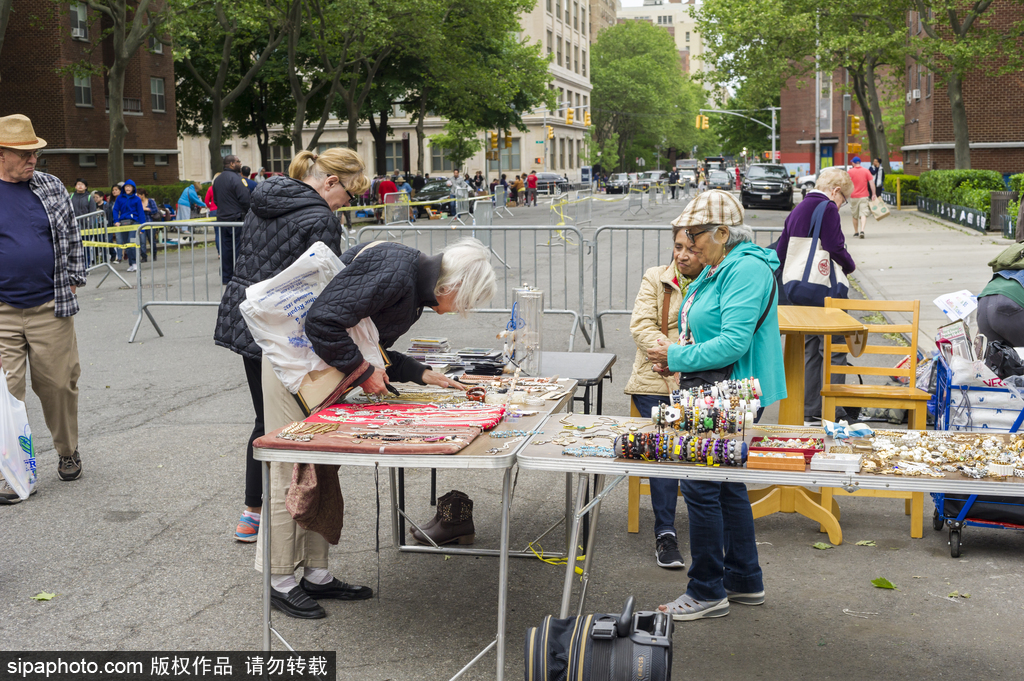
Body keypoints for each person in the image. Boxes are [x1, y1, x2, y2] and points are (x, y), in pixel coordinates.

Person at [256, 236, 497, 618]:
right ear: (452, 287)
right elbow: (323, 322)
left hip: (320, 368)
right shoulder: (397, 270)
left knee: (321, 468)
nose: (459, 311)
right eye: (465, 302)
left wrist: (420, 372)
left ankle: (316, 574)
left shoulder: (413, 288)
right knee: (292, 471)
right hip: (296, 368)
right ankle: (280, 579)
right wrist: (363, 371)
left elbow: (370, 345)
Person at [215, 148, 369, 544]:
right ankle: (291, 515)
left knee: (263, 419)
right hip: (288, 330)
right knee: (297, 422)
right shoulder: (322, 218)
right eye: (349, 196)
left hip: (248, 319)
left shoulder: (263, 198)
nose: (346, 204)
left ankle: (252, 511)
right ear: (331, 182)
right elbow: (324, 290)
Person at [646, 190, 785, 621]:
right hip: (718, 388)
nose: (689, 246)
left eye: (695, 237)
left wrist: (676, 355)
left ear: (722, 233)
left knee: (701, 485)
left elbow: (733, 343)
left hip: (728, 390)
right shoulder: (724, 265)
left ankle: (706, 590)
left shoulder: (745, 269)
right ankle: (743, 579)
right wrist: (679, 355)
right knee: (725, 485)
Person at [0, 114, 86, 503]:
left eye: (35, 152)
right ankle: (12, 470)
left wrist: (73, 278)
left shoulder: (49, 186)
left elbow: (71, 234)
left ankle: (67, 451)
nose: (32, 159)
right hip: (2, 310)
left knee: (59, 385)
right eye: (24, 154)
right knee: (6, 392)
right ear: (1, 155)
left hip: (50, 304)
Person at [625, 224, 705, 569]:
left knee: (715, 441)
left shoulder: (716, 281)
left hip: (700, 378)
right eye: (678, 246)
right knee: (666, 444)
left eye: (691, 249)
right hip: (656, 379)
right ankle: (665, 532)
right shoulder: (656, 277)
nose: (683, 255)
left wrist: (688, 361)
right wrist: (676, 357)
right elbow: (641, 326)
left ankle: (712, 529)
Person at [774, 166, 856, 423]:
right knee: (834, 348)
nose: (841, 205)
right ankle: (833, 410)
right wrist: (849, 265)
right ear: (835, 191)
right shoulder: (828, 208)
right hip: (825, 290)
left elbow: (781, 250)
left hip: (799, 290)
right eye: (844, 199)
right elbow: (833, 246)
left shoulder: (798, 208)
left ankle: (809, 409)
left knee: (811, 348)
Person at [212, 155, 252, 284]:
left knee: (225, 249)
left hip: (222, 219)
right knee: (239, 249)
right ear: (231, 164)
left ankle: (226, 277)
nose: (240, 163)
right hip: (236, 219)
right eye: (238, 161)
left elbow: (216, 200)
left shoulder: (217, 180)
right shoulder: (237, 179)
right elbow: (245, 199)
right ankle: (238, 278)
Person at [112, 179, 146, 273]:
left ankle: (135, 263)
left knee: (132, 243)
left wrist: (142, 227)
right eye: (126, 186)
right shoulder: (119, 198)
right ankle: (131, 264)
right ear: (124, 188)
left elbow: (141, 213)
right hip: (123, 223)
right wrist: (116, 220)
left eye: (130, 187)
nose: (128, 188)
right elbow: (115, 210)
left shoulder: (137, 199)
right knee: (126, 244)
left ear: (133, 188)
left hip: (134, 223)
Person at [847, 156, 875, 239]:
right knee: (863, 214)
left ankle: (856, 232)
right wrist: (873, 194)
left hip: (853, 196)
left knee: (854, 215)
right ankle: (862, 230)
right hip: (864, 196)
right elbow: (871, 183)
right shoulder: (866, 171)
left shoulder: (849, 172)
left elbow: (846, 184)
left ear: (853, 163)